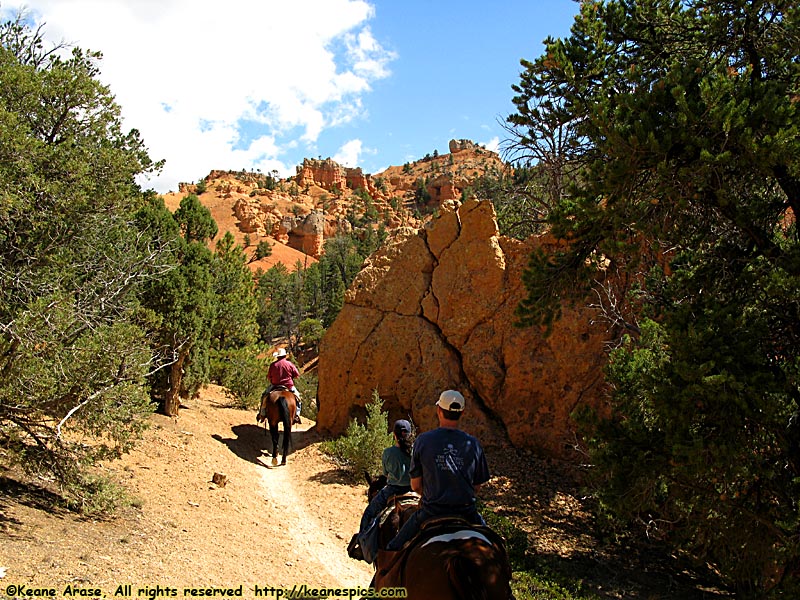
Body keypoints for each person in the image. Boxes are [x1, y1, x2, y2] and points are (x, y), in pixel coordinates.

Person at [385, 389, 489, 551]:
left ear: (439, 410)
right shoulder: (473, 444)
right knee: (495, 544)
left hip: (431, 511)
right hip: (467, 512)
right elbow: (476, 487)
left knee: (393, 547)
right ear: (461, 413)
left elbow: (416, 486)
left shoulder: (423, 441)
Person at [352, 419, 413, 563]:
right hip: (414, 489)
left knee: (368, 514)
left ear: (394, 435)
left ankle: (361, 545)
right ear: (409, 435)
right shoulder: (416, 452)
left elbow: (386, 475)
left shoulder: (388, 453)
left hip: (393, 490)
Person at [268, 348, 302, 424]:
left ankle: (262, 413)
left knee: (264, 396)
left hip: (275, 386)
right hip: (289, 386)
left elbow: (269, 377)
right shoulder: (290, 364)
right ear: (285, 356)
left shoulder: (273, 365)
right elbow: (297, 375)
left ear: (277, 356)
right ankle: (296, 415)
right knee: (298, 398)